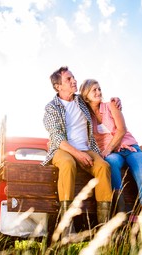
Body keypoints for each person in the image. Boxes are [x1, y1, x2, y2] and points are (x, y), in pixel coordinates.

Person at [42, 66, 119, 238]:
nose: (74, 81)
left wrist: (114, 100)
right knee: (68, 164)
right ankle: (66, 227)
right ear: (58, 86)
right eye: (69, 79)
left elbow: (98, 101)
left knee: (103, 167)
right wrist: (77, 154)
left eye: (73, 77)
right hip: (62, 149)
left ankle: (103, 229)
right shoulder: (51, 108)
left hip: (87, 147)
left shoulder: (81, 102)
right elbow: (56, 138)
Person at [79, 79, 142, 217]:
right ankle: (121, 214)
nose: (98, 92)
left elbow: (121, 130)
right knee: (111, 164)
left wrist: (107, 149)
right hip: (114, 154)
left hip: (130, 148)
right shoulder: (87, 116)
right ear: (86, 96)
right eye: (94, 90)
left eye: (99, 89)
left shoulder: (111, 105)